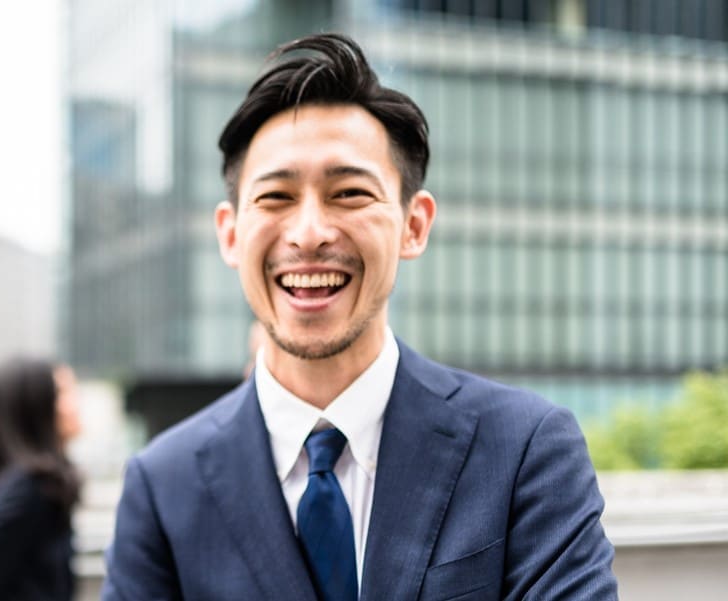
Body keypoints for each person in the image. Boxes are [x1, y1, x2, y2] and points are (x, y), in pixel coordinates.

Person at [101, 33, 617, 601]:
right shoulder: (162, 486)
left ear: (414, 225)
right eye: (275, 198)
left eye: (348, 193)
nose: (309, 233)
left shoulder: (525, 450)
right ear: (230, 233)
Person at [0, 358, 83, 601]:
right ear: (37, 406)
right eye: (65, 392)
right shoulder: (28, 489)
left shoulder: (44, 486)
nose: (76, 403)